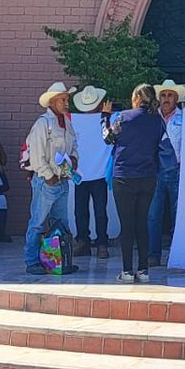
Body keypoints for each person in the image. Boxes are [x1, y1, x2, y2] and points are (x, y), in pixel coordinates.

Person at [102, 83, 165, 283]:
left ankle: (127, 271)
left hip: (124, 176)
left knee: (127, 225)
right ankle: (144, 270)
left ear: (136, 97)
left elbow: (108, 138)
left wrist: (105, 116)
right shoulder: (158, 120)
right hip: (148, 176)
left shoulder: (124, 117)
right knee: (142, 223)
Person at [24, 82, 79, 276]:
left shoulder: (67, 123)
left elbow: (74, 147)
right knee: (38, 222)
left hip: (63, 179)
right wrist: (48, 176)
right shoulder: (42, 124)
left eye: (66, 99)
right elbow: (37, 155)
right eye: (63, 100)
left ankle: (59, 259)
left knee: (61, 222)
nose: (66, 103)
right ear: (53, 101)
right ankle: (31, 261)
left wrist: (74, 160)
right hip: (46, 181)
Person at [147, 79, 185, 267]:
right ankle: (153, 254)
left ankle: (175, 254)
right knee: (154, 214)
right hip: (155, 171)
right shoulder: (151, 118)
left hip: (177, 171)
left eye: (170, 95)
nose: (166, 99)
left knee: (177, 215)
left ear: (176, 98)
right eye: (163, 95)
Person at [71, 86, 110, 258]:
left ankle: (100, 242)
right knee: (82, 210)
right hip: (83, 173)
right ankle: (85, 241)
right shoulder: (76, 119)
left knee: (99, 211)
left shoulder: (74, 119)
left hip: (93, 172)